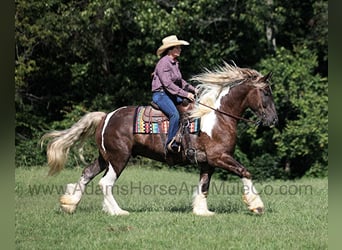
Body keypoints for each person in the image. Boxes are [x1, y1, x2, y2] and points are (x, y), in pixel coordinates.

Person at [151, 35, 196, 153]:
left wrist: (193, 90)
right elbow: (168, 84)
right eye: (178, 47)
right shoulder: (163, 63)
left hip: (171, 94)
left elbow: (180, 82)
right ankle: (170, 144)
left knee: (190, 107)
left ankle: (186, 138)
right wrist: (186, 94)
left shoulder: (175, 63)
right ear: (170, 49)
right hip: (160, 95)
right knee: (174, 115)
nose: (180, 49)